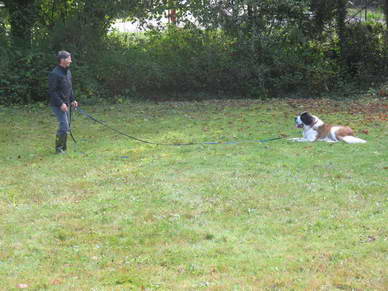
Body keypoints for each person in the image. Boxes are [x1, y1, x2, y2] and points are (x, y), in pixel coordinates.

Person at [48, 51, 78, 153]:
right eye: (69, 58)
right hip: (57, 104)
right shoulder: (54, 74)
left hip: (66, 103)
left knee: (66, 127)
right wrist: (61, 103)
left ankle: (63, 148)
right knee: (64, 126)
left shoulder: (68, 72)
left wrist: (73, 99)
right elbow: (52, 92)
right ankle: (59, 149)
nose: (71, 60)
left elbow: (69, 88)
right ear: (62, 60)